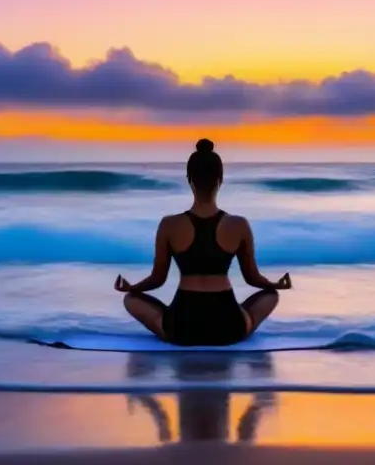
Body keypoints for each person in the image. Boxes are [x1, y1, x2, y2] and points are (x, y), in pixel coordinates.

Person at [114, 138, 292, 346]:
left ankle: (170, 329)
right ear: (221, 179)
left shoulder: (169, 224)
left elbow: (157, 279)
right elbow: (252, 278)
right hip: (228, 326)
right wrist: (275, 284)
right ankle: (245, 322)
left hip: (182, 326)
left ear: (189, 179)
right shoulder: (239, 225)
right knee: (270, 295)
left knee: (131, 300)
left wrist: (132, 287)